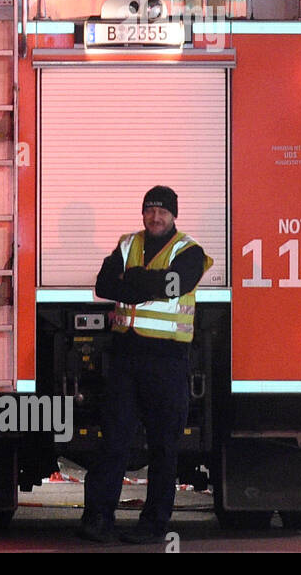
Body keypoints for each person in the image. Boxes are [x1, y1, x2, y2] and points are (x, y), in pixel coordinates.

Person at [79, 186, 213, 544]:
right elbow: (103, 285)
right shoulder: (127, 243)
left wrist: (131, 281)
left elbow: (174, 285)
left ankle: (152, 525)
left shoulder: (190, 252)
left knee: (164, 448)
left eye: (163, 212)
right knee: (114, 443)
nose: (156, 218)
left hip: (167, 361)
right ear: (143, 213)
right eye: (150, 211)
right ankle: (97, 520)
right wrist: (138, 284)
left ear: (174, 216)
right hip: (125, 359)